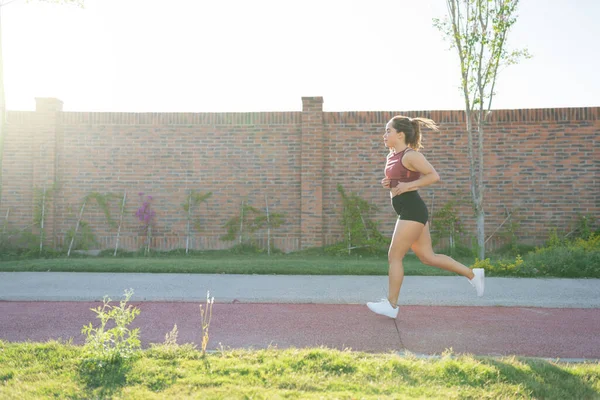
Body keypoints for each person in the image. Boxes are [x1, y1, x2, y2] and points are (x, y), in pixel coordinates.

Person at [367, 116, 484, 319]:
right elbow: (402, 178)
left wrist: (408, 186)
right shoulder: (392, 155)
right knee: (427, 257)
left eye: (388, 131)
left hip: (412, 209)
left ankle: (391, 305)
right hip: (407, 209)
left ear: (400, 134)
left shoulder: (411, 155)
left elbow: (433, 176)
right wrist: (390, 183)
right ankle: (473, 274)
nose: (384, 135)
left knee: (394, 256)